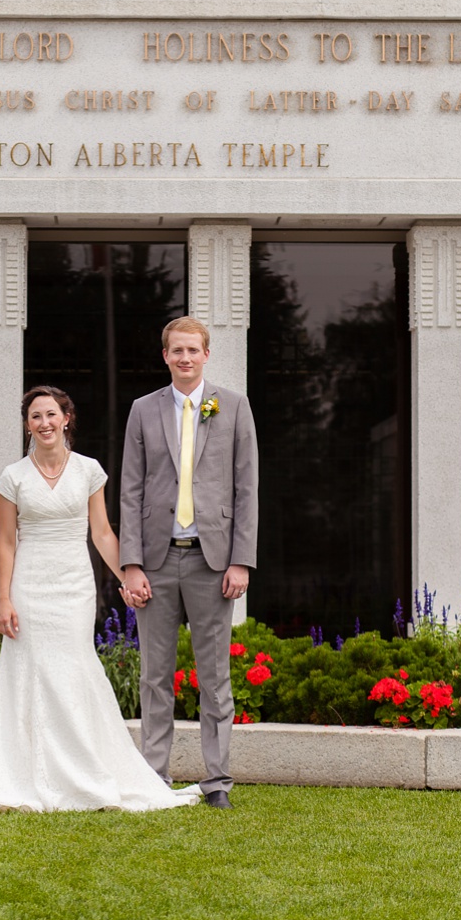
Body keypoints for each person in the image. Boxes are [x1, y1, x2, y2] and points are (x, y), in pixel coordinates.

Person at [0, 386, 199, 814]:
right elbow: (6, 543)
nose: (44, 423)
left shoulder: (88, 470)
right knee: (27, 670)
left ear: (67, 418)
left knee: (74, 667)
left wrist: (127, 574)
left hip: (74, 586)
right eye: (35, 417)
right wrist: (1, 599)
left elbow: (102, 533)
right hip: (29, 586)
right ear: (27, 425)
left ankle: (84, 769)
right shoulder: (13, 477)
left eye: (52, 414)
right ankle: (24, 772)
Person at [118, 315, 259, 810]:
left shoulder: (233, 407)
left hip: (213, 563)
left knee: (214, 675)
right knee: (154, 675)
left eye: (192, 351)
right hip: (155, 562)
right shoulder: (142, 410)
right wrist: (130, 564)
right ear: (165, 356)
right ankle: (154, 776)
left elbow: (247, 488)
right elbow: (130, 490)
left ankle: (216, 779)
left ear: (205, 354)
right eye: (175, 351)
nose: (184, 358)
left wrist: (240, 560)